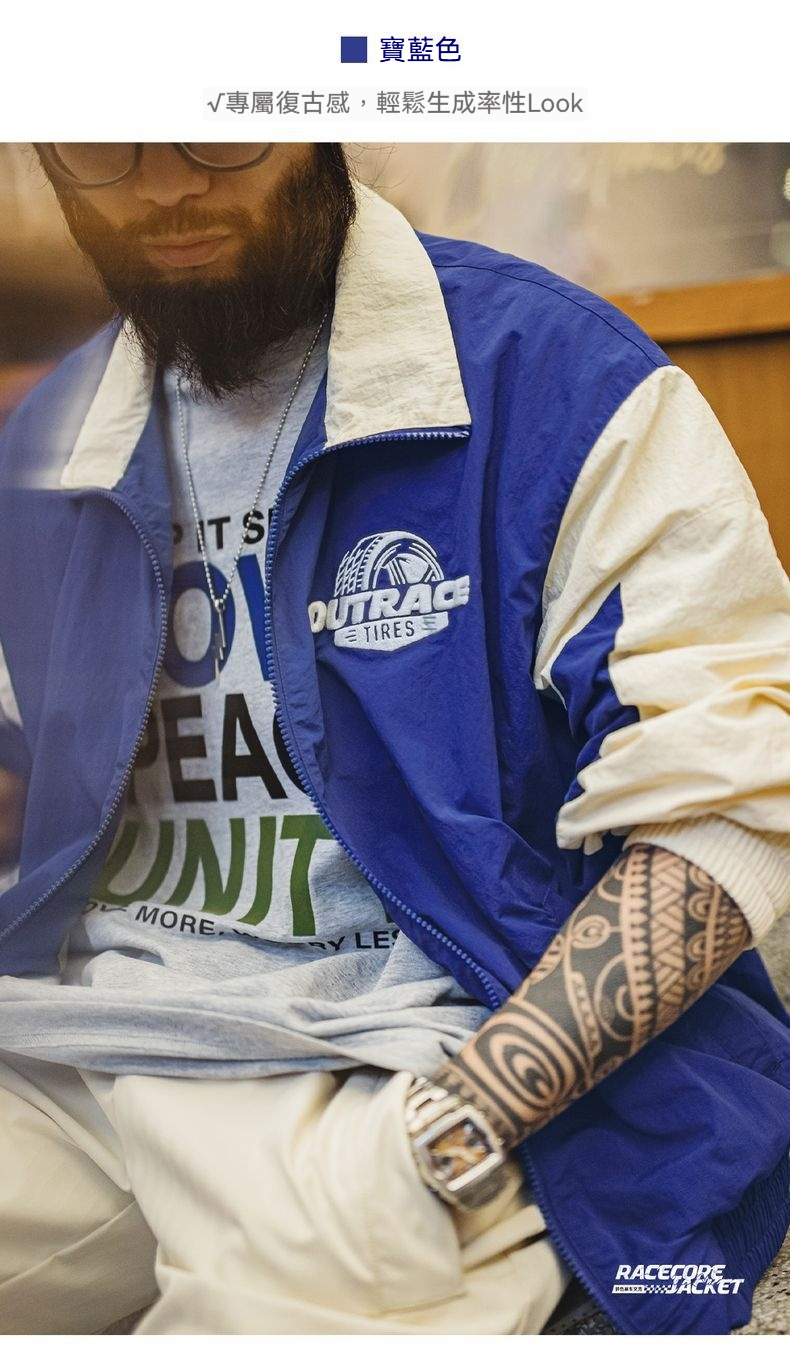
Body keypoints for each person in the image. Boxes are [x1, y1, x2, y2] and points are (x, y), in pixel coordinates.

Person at [0, 141, 788, 1337]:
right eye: (106, 147)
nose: (163, 186)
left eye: (215, 131)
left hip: (399, 1063)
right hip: (74, 1042)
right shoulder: (50, 436)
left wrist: (469, 1113)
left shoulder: (562, 381)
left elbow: (728, 806)